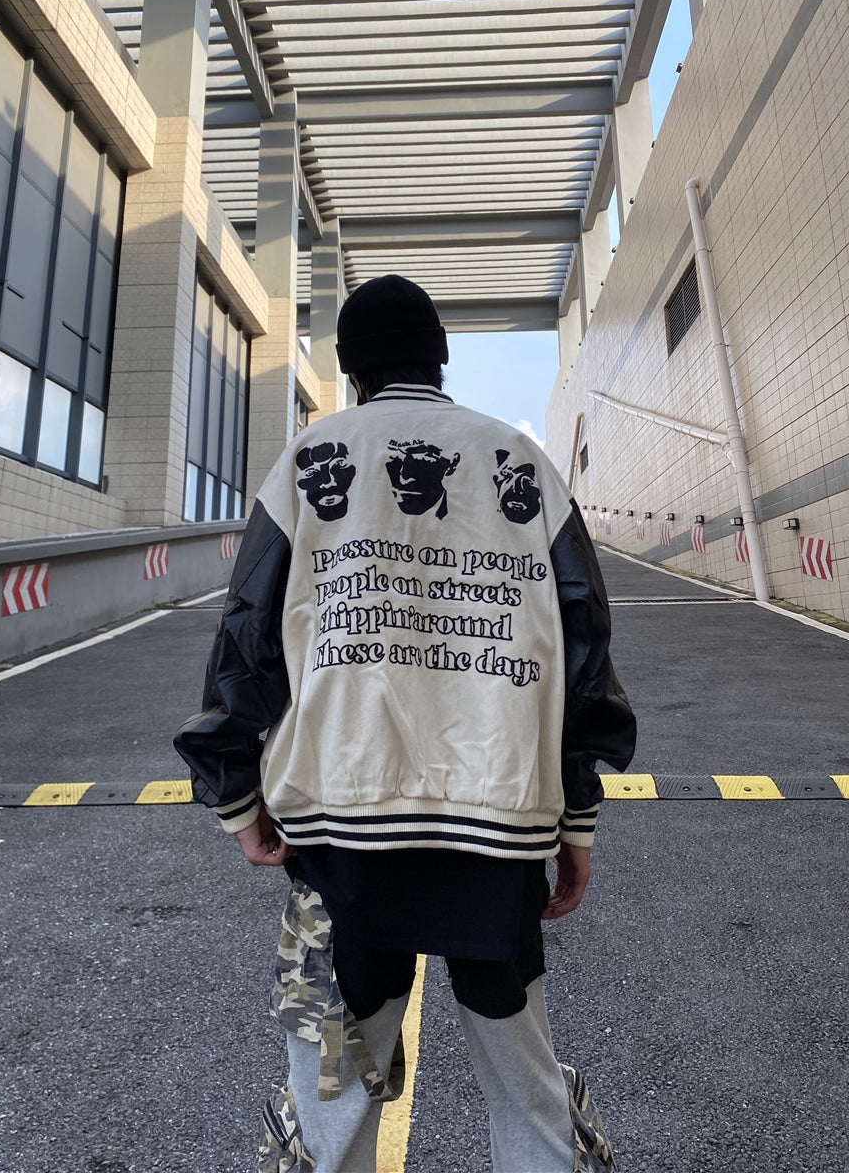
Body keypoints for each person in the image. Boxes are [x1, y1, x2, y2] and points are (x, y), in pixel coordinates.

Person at [174, 275, 637, 1173]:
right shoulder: (522, 464)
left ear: (351, 370)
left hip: (340, 843)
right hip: (498, 835)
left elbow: (246, 639)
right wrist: (576, 821)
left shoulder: (310, 461)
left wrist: (237, 798)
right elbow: (585, 653)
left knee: (336, 1096)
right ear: (440, 359)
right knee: (527, 1090)